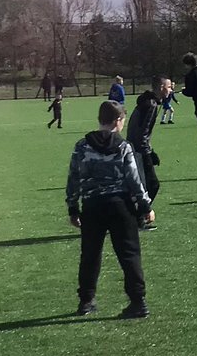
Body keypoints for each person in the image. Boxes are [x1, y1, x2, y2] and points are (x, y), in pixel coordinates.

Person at [65, 100, 154, 319]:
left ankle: (86, 301)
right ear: (118, 121)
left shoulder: (82, 145)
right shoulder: (123, 146)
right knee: (129, 254)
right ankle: (138, 302)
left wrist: (73, 208)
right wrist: (145, 206)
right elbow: (134, 180)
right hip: (120, 205)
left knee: (90, 255)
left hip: (93, 206)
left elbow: (73, 178)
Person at [126, 76, 167, 228]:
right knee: (151, 185)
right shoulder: (151, 104)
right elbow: (142, 131)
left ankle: (136, 217)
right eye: (169, 87)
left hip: (136, 147)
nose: (170, 90)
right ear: (162, 87)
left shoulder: (148, 102)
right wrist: (148, 152)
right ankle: (137, 217)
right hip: (139, 149)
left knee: (143, 185)